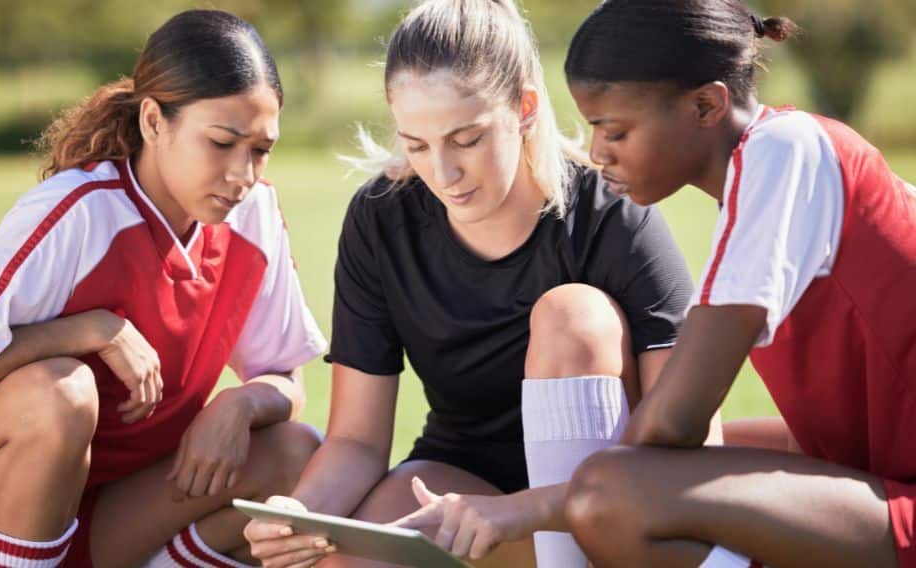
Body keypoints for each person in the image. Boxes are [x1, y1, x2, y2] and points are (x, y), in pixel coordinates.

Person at [243, 0, 702, 566]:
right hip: (461, 488)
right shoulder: (382, 218)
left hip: (602, 511)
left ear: (525, 108)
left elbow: (691, 452)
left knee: (573, 313)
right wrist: (299, 518)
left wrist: (533, 511)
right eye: (417, 144)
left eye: (467, 139)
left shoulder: (612, 216)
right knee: (343, 559)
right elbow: (357, 442)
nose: (444, 173)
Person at [0, 9, 327, 567]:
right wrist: (89, 331)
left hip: (104, 508)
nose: (243, 174)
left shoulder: (253, 215)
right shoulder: (78, 212)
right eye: (221, 143)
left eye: (259, 150)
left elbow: (286, 378)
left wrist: (240, 403)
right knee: (60, 391)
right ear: (155, 122)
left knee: (293, 450)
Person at [560, 1, 916, 567]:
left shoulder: (784, 151)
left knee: (610, 490)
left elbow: (672, 423)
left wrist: (532, 507)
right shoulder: (782, 162)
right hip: (885, 476)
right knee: (705, 454)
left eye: (615, 129)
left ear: (706, 104)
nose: (597, 152)